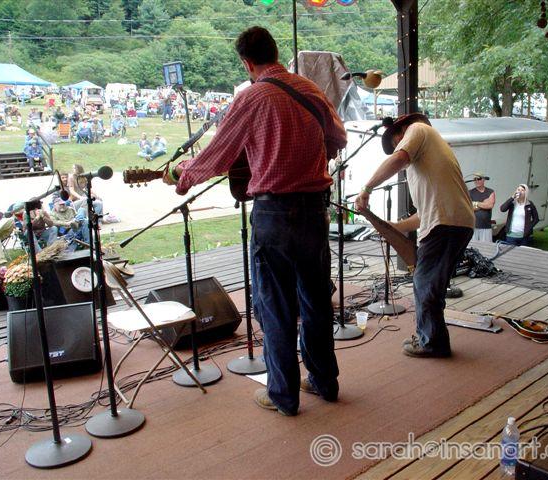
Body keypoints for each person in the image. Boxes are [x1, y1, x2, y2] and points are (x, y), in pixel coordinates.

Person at [163, 26, 346, 416]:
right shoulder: (311, 90)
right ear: (275, 52)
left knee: (275, 306)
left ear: (247, 63)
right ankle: (324, 382)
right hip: (315, 210)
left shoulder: (251, 97)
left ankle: (283, 395)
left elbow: (218, 155)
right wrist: (313, 159)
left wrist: (183, 176)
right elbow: (337, 138)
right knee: (316, 301)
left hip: (274, 214)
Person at [355, 113, 474, 358]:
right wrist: (395, 227)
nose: (398, 148)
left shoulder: (418, 129)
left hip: (445, 223)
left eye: (396, 143)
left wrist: (367, 188)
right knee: (430, 284)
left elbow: (399, 158)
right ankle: (431, 338)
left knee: (425, 283)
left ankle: (432, 342)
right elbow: (424, 214)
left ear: (401, 131)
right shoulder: (428, 156)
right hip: (452, 221)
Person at [468, 172, 495, 242]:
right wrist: (484, 203)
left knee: (486, 246)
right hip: (473, 226)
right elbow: (469, 207)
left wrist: (475, 203)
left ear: (483, 179)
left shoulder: (490, 191)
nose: (476, 181)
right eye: (475, 179)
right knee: (473, 246)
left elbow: (490, 205)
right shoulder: (470, 192)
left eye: (479, 179)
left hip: (486, 226)